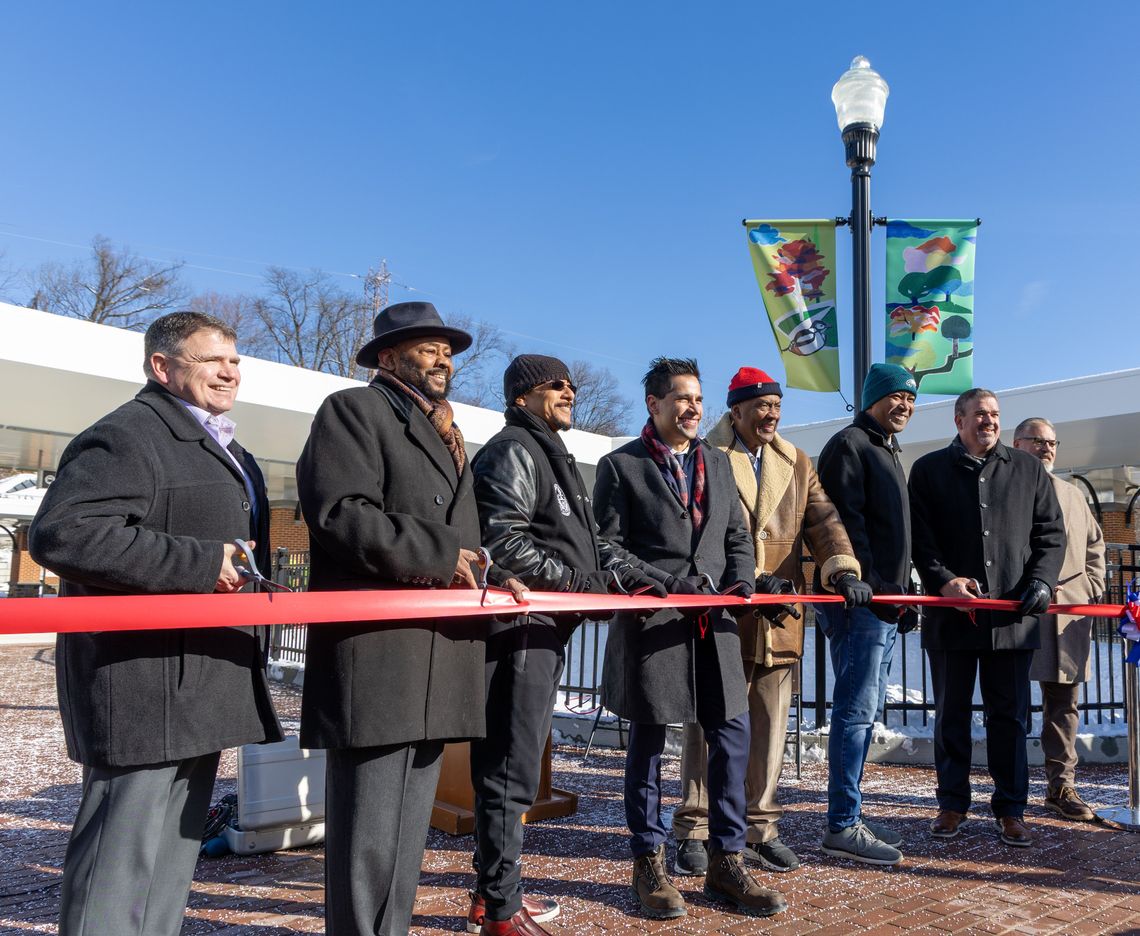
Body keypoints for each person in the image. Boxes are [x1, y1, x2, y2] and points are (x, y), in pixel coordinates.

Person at [29, 311, 283, 936]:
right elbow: (64, 534)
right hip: (142, 684)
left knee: (171, 858)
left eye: (234, 359)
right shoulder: (128, 434)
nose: (229, 371)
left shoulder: (229, 445)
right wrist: (202, 564)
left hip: (201, 680)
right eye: (211, 360)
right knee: (118, 866)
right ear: (161, 367)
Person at [295, 301, 525, 936]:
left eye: (448, 350)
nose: (444, 359)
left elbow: (464, 534)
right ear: (389, 357)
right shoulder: (354, 410)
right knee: (368, 833)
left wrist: (491, 569)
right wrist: (443, 557)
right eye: (429, 349)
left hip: (438, 653)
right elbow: (342, 512)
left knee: (404, 834)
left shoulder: (449, 431)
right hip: (379, 653)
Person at [469, 354, 669, 935]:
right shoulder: (513, 450)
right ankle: (500, 912)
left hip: (548, 629)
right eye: (554, 384)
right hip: (520, 631)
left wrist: (646, 576)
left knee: (516, 766)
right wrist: (577, 583)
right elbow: (501, 540)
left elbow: (589, 547)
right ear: (522, 396)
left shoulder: (553, 457)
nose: (569, 391)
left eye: (572, 384)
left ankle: (493, 893)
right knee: (510, 770)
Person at [593, 357, 786, 920]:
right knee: (649, 747)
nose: (693, 408)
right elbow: (606, 548)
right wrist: (664, 584)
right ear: (653, 405)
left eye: (698, 399)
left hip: (717, 628)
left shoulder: (719, 465)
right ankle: (647, 862)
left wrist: (743, 581)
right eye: (681, 397)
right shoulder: (619, 466)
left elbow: (736, 536)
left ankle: (727, 862)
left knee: (731, 738)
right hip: (655, 626)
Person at [673, 367, 871, 874]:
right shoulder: (705, 455)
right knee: (707, 728)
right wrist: (752, 578)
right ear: (735, 410)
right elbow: (698, 532)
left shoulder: (797, 462)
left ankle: (760, 826)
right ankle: (694, 827)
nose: (772, 413)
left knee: (770, 726)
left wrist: (841, 569)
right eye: (761, 405)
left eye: (777, 405)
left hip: (780, 618)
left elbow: (824, 522)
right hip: (721, 612)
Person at [910, 388, 1065, 848]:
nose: (989, 422)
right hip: (951, 618)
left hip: (1014, 619)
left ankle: (1011, 809)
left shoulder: (1029, 469)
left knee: (1010, 718)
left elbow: (1050, 534)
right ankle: (952, 804)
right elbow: (921, 540)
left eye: (995, 415)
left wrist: (1040, 581)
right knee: (951, 716)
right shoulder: (928, 470)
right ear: (959, 420)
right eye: (980, 415)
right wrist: (942, 581)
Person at [815, 363, 918, 865]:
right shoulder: (851, 444)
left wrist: (905, 592)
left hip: (884, 605)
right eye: (897, 395)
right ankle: (842, 824)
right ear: (873, 397)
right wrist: (875, 586)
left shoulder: (886, 449)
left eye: (912, 399)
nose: (906, 405)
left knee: (863, 714)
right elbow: (843, 524)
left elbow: (895, 534)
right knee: (854, 715)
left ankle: (849, 815)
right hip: (861, 605)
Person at [1013, 417, 1106, 821]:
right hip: (1015, 612)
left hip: (1067, 612)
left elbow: (1095, 547)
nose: (1047, 448)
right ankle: (1009, 787)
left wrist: (1092, 586)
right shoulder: (1002, 487)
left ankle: (1060, 785)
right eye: (1037, 441)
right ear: (1017, 444)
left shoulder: (1072, 494)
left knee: (1064, 702)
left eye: (1052, 442)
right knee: (1009, 700)